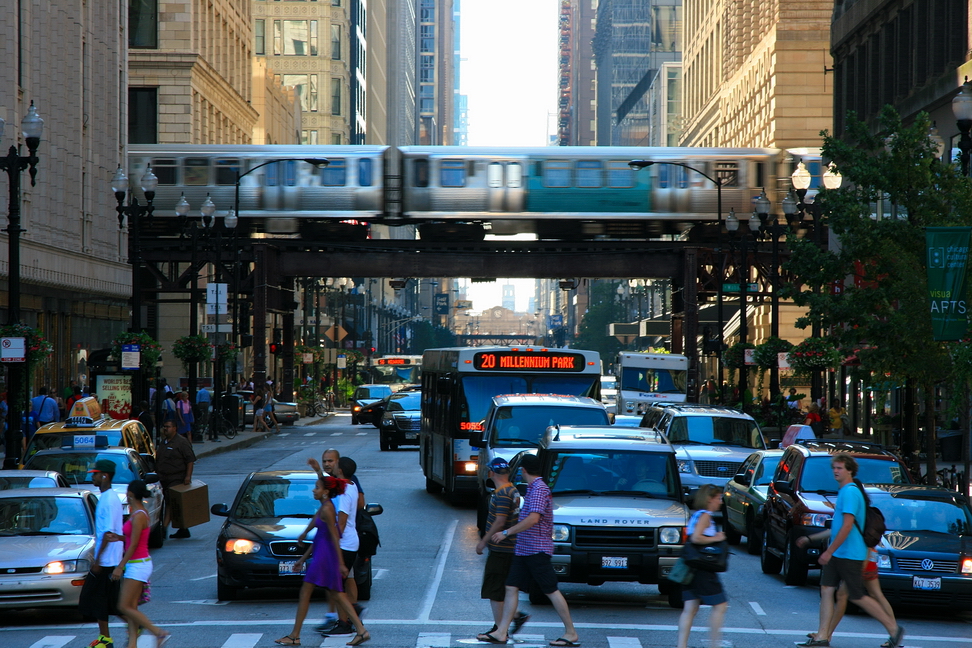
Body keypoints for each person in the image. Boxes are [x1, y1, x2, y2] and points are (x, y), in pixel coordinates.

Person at [796, 453, 904, 648]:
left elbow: (846, 526)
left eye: (840, 468)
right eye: (834, 468)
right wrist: (812, 539)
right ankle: (822, 636)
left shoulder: (851, 492)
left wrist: (829, 551)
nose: (836, 471)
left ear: (850, 471)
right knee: (827, 590)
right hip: (839, 553)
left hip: (851, 554)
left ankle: (894, 629)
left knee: (857, 595)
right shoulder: (844, 491)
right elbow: (837, 527)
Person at [482, 454, 579, 647]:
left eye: (520, 469)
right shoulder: (533, 489)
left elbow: (533, 519)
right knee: (510, 587)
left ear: (523, 470)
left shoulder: (538, 490)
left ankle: (571, 632)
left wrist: (506, 532)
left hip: (536, 550)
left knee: (551, 590)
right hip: (523, 550)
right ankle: (501, 631)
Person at [278, 475, 369, 646]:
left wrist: (341, 563)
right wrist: (303, 556)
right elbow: (320, 535)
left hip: (326, 557)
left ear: (326, 492)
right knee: (337, 594)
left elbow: (335, 537)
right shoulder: (324, 507)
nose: (314, 490)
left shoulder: (327, 509)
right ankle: (361, 631)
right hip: (322, 554)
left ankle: (295, 636)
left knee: (308, 592)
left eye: (317, 487)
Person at [309, 451, 365, 634]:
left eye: (332, 463)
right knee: (337, 584)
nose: (329, 465)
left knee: (336, 586)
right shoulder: (348, 485)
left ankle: (346, 623)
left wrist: (330, 545)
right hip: (349, 542)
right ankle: (348, 618)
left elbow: (340, 523)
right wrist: (318, 470)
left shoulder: (345, 492)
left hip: (344, 543)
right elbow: (326, 484)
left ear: (340, 469)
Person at [475, 458, 528, 642]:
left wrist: (484, 540)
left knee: (494, 589)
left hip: (501, 548)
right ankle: (514, 617)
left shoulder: (502, 493)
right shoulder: (511, 489)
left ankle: (499, 630)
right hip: (510, 548)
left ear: (491, 473)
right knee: (505, 589)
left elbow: (499, 520)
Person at [113, 479, 170, 648]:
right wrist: (119, 538)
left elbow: (135, 544)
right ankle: (132, 644)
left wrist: (120, 566)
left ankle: (158, 633)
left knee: (123, 606)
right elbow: (132, 539)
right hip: (137, 563)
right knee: (131, 607)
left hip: (138, 564)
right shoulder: (137, 513)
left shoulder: (139, 516)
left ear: (130, 494)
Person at [676, 484, 729, 648]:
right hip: (703, 569)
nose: (720, 502)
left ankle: (681, 645)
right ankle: (714, 644)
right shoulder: (705, 516)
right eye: (718, 498)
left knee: (690, 608)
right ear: (709, 499)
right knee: (720, 605)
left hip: (690, 567)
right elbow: (697, 538)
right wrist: (717, 537)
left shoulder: (697, 515)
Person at [78, 459, 124, 648]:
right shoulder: (108, 497)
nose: (93, 476)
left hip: (106, 560)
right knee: (108, 601)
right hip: (110, 558)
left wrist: (98, 560)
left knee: (93, 598)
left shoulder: (107, 501)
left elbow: (108, 533)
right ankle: (108, 637)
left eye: (95, 473)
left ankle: (106, 638)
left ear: (105, 475)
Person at [155, 419, 196, 539]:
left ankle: (164, 528)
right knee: (173, 504)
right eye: (164, 426)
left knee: (171, 503)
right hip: (163, 478)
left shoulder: (181, 442)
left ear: (174, 428)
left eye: (168, 426)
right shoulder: (164, 442)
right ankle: (183, 529)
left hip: (176, 478)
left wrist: (188, 476)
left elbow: (190, 460)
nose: (165, 429)